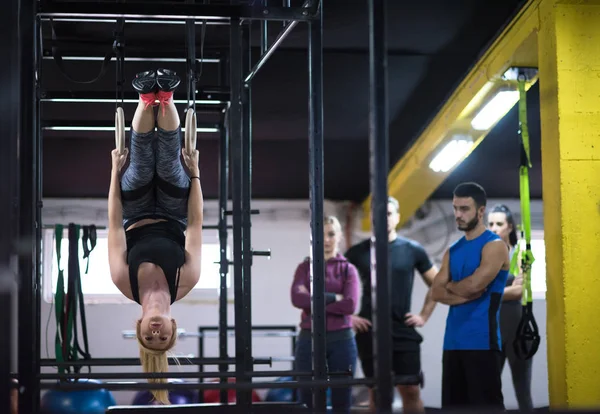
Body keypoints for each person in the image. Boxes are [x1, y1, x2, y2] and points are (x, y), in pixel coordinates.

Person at [107, 69, 204, 404]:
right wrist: (195, 175)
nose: (156, 333)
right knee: (169, 164)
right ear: (173, 327)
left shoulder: (123, 281)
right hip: (174, 209)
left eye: (149, 337)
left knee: (140, 164)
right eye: (163, 338)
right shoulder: (187, 279)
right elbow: (194, 224)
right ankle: (166, 96)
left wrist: (113, 174)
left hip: (134, 212)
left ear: (140, 326)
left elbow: (114, 225)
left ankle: (146, 96)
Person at [345, 196, 439, 413]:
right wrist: (348, 316)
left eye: (388, 214)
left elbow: (438, 284)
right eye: (378, 214)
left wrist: (424, 315)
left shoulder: (413, 250)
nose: (383, 218)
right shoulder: (358, 252)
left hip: (402, 330)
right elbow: (330, 285)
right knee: (377, 392)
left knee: (411, 389)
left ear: (397, 217)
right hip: (370, 331)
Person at [431, 182, 510, 411]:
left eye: (464, 209)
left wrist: (453, 287)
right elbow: (436, 291)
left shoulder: (494, 246)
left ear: (481, 210)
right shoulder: (453, 250)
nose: (458, 214)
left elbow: (475, 285)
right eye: (455, 208)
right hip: (453, 343)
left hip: (482, 342)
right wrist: (463, 292)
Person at [290, 216, 360, 414]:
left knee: (342, 401)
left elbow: (350, 305)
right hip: (308, 339)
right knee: (307, 400)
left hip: (341, 340)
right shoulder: (304, 268)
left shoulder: (348, 270)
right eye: (321, 235)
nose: (326, 240)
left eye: (331, 234)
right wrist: (334, 297)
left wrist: (313, 301)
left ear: (339, 237)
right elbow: (297, 299)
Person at [488, 204, 533, 411]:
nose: (494, 228)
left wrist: (491, 293)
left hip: (518, 329)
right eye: (490, 224)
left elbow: (519, 291)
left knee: (522, 391)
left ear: (510, 227)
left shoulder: (521, 253)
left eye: (499, 224)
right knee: (488, 391)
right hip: (491, 331)